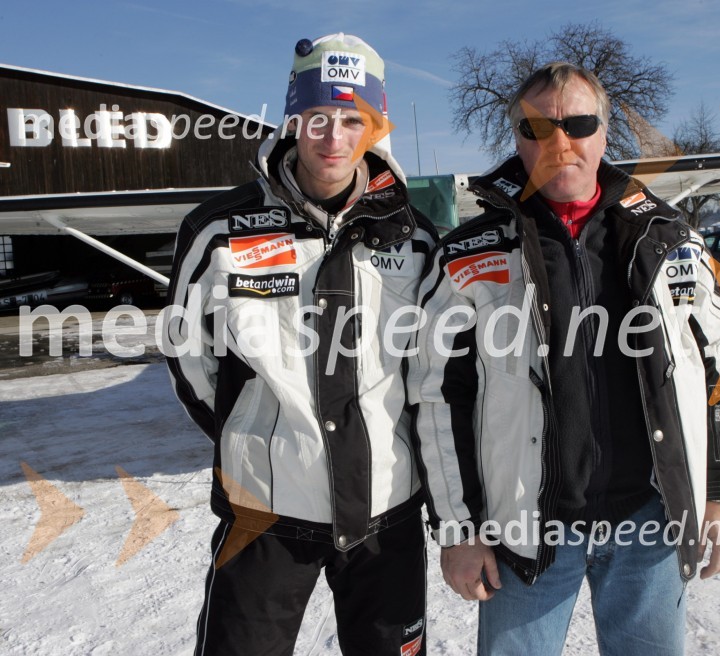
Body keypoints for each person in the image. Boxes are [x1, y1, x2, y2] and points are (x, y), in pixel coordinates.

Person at [407, 62, 720, 655]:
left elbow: (715, 370)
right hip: (526, 532)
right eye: (536, 127)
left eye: (578, 123)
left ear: (604, 134)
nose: (559, 143)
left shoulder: (670, 241)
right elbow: (438, 399)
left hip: (650, 522)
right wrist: (460, 531)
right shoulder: (467, 254)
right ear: (516, 138)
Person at [166, 33, 435, 656]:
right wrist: (252, 432)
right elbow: (187, 351)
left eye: (352, 119)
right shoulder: (219, 230)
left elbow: (429, 368)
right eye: (318, 118)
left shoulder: (414, 237)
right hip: (264, 510)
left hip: (385, 510)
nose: (333, 137)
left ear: (374, 128)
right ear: (293, 120)